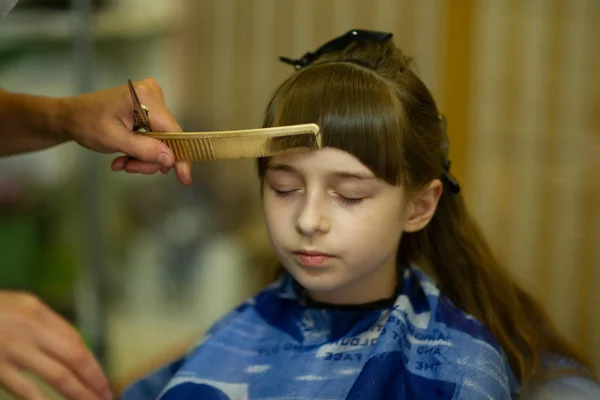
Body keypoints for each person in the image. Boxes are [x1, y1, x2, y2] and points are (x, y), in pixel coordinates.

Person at [119, 30, 600, 399]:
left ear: (419, 206)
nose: (309, 219)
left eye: (349, 195)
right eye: (284, 187)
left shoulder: (458, 371)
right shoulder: (231, 338)